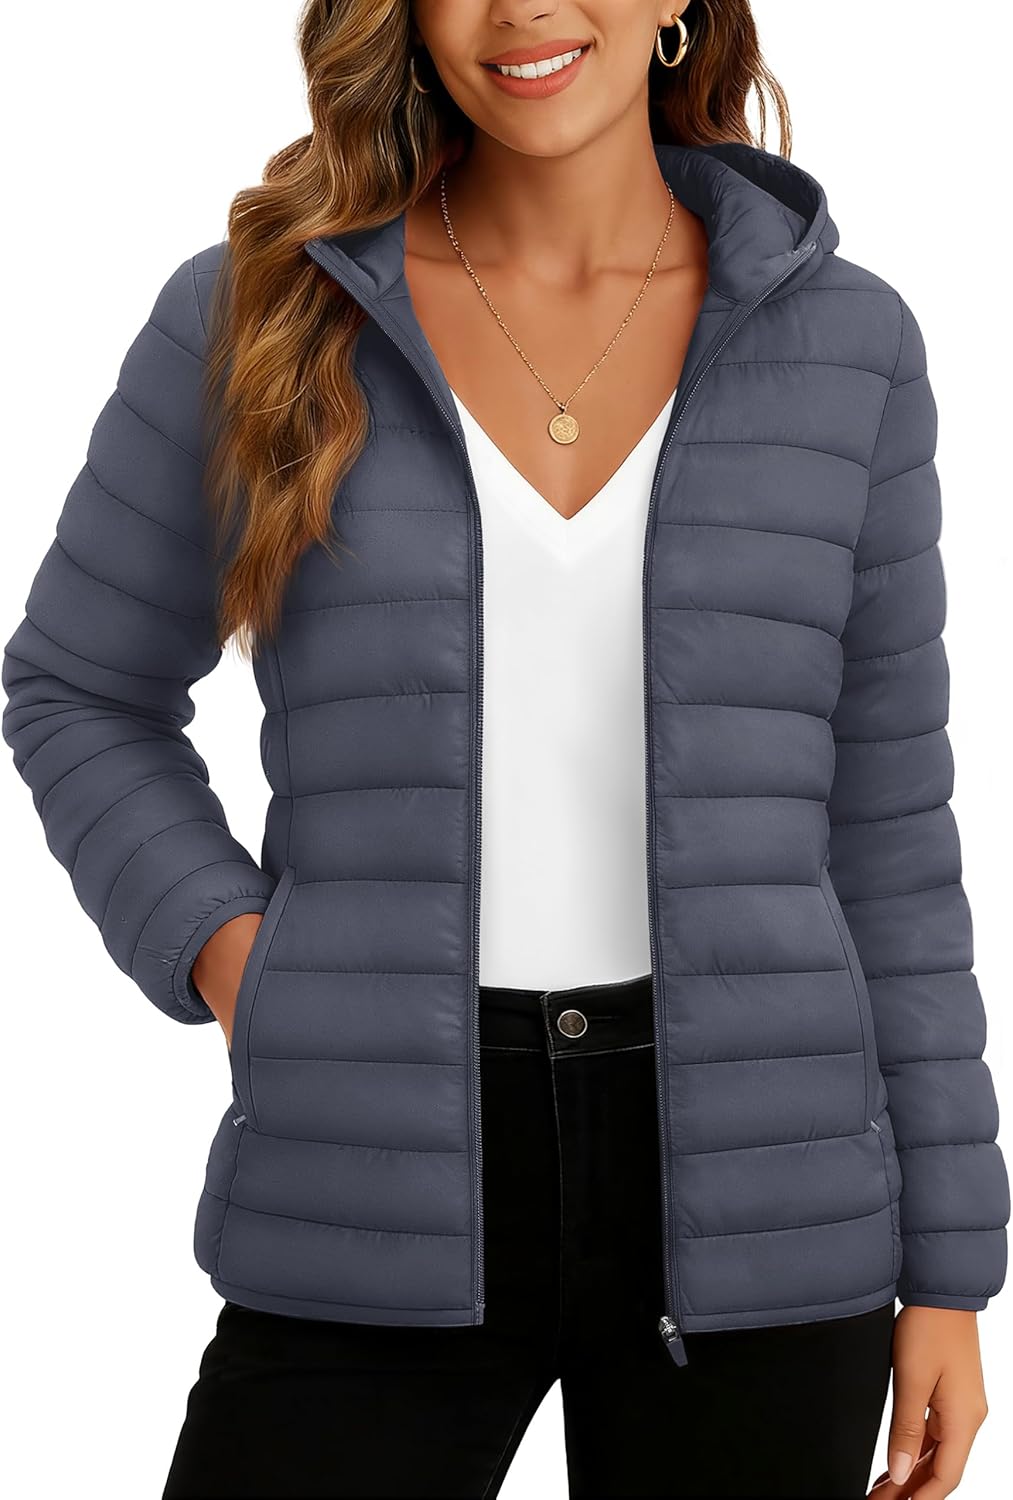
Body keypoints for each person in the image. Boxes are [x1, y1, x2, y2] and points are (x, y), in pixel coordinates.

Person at [3, 2, 1008, 1496]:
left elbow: (891, 836)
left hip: (768, 1193)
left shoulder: (848, 343)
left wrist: (948, 1272)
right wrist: (238, 959)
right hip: (369, 1161)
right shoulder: (259, 311)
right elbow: (78, 688)